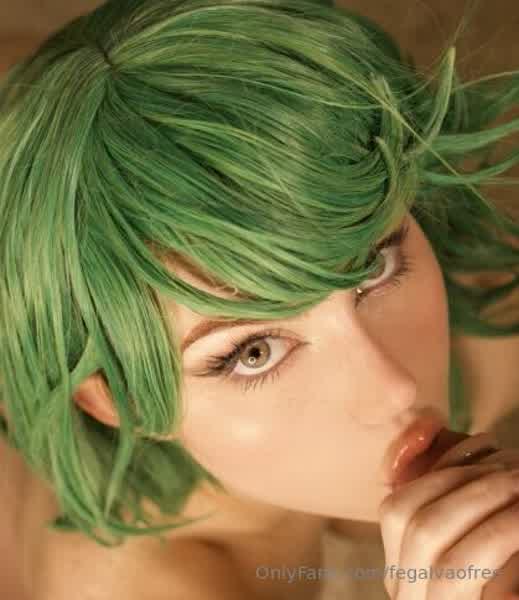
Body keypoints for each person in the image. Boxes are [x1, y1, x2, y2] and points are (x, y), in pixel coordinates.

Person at [2, 0, 519, 598]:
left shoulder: (475, 325)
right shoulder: (137, 585)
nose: (394, 389)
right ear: (123, 400)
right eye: (253, 351)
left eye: (372, 266)